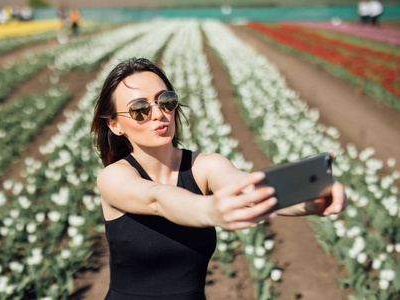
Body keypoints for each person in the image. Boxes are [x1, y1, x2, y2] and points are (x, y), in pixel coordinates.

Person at [91, 57, 347, 299]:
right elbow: (157, 199)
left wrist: (309, 200)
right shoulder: (114, 177)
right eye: (140, 109)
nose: (158, 114)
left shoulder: (205, 167)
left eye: (166, 100)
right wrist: (208, 209)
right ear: (115, 124)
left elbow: (250, 191)